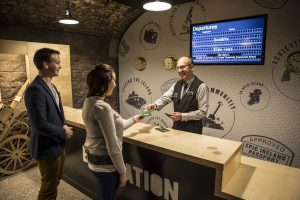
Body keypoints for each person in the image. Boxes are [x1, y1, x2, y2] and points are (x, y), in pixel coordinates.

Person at [82, 64, 142, 200]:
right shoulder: (102, 107)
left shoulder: (90, 101)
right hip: (107, 166)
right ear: (105, 82)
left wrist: (134, 119)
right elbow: (112, 144)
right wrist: (122, 172)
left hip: (96, 161)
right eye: (113, 80)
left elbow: (114, 128)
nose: (115, 85)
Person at [24, 48, 74, 200]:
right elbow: (40, 124)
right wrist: (63, 132)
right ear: (46, 64)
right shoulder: (34, 89)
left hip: (58, 145)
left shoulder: (52, 87)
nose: (60, 66)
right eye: (57, 63)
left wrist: (63, 125)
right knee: (49, 189)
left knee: (55, 181)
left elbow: (58, 114)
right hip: (46, 148)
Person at [146, 56, 209, 134]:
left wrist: (182, 116)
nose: (179, 70)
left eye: (182, 67)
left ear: (191, 67)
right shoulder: (177, 84)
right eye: (178, 68)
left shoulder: (201, 86)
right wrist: (155, 105)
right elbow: (166, 98)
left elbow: (202, 112)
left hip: (193, 131)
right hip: (176, 128)